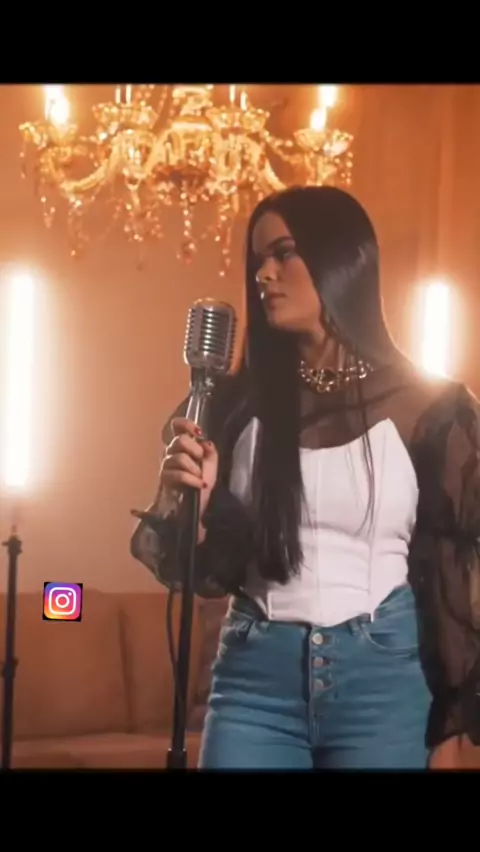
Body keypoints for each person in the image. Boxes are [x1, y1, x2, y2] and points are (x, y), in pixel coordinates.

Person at [131, 185, 480, 769]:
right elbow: (203, 570)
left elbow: (459, 566)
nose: (263, 274)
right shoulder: (234, 405)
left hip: (384, 678)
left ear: (342, 261)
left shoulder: (433, 409)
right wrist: (187, 503)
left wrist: (450, 723)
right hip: (254, 680)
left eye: (284, 253)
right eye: (258, 259)